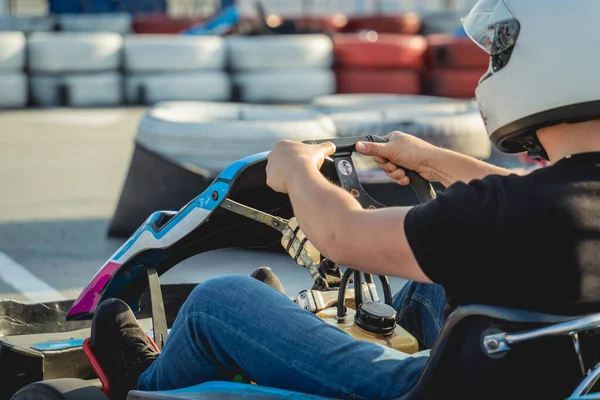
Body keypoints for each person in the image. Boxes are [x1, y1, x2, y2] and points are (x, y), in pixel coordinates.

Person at [90, 0, 600, 399]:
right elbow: (529, 198)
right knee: (427, 291)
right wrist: (432, 159)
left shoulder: (514, 214)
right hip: (542, 375)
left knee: (218, 304)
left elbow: (342, 236)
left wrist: (295, 170)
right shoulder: (556, 206)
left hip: (428, 390)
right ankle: (276, 329)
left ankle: (145, 379)